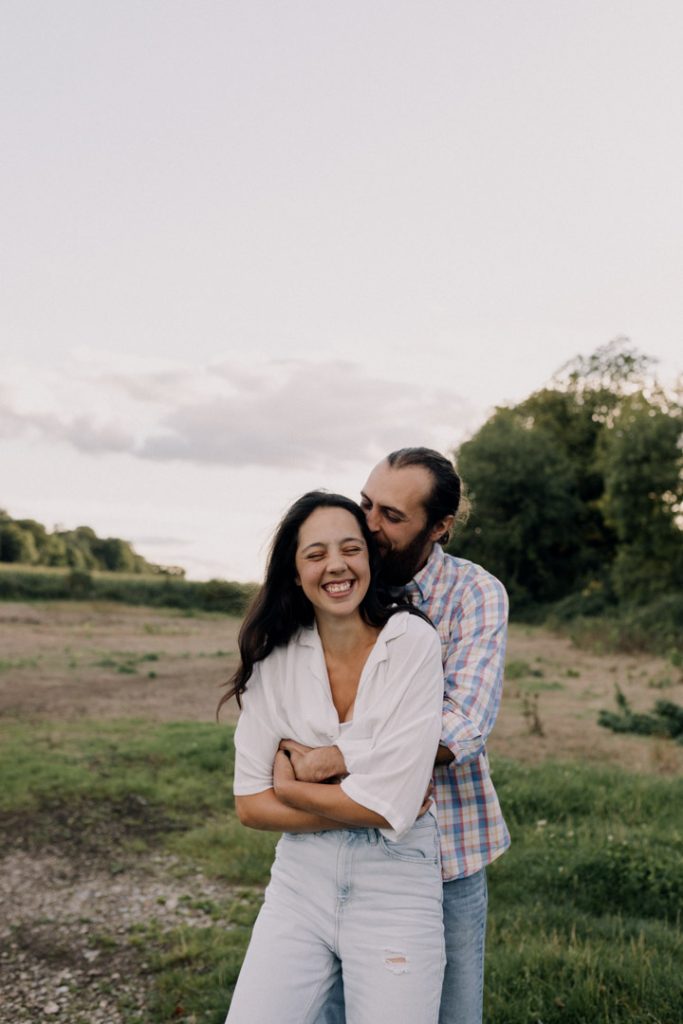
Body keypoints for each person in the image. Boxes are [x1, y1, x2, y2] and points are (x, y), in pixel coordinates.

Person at [282, 449, 510, 1024]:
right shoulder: (344, 582)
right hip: (332, 845)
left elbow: (461, 724)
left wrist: (338, 757)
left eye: (391, 515)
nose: (369, 524)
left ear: (439, 527)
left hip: (444, 855)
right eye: (366, 504)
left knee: (449, 1014)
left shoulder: (474, 593)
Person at [220, 490, 447, 1024]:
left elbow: (395, 803)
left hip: (396, 886)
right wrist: (370, 799)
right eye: (316, 554)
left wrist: (293, 790)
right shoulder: (276, 658)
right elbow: (251, 804)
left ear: (369, 558)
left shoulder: (411, 641)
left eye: (350, 549)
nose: (336, 566)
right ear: (296, 572)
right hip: (300, 883)